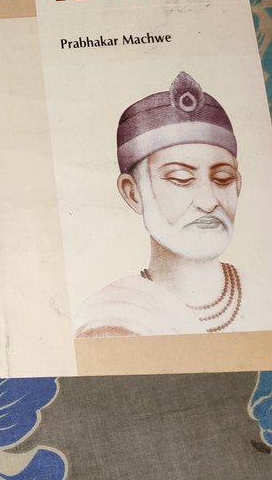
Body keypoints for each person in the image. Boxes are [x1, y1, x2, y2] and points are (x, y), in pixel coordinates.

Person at [75, 71, 266, 337]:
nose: (208, 202)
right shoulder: (111, 319)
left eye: (223, 178)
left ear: (238, 185)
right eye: (181, 179)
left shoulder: (263, 297)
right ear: (133, 193)